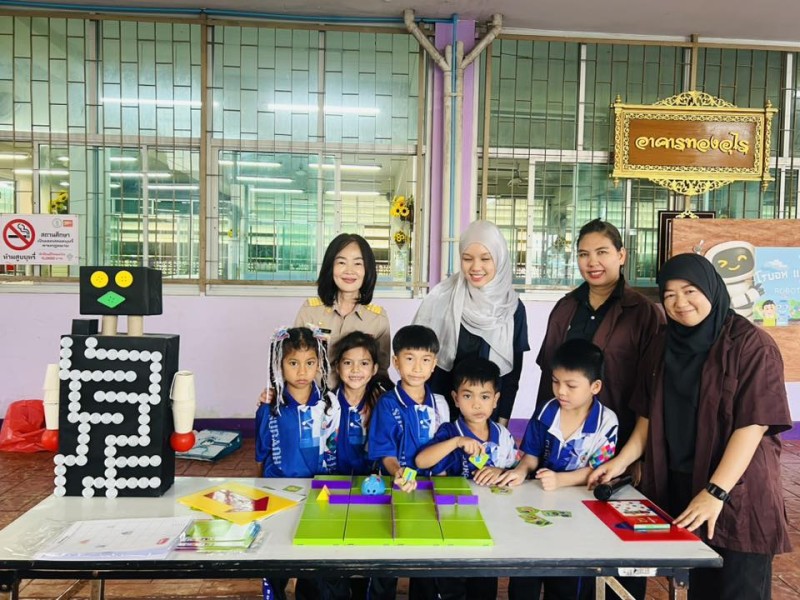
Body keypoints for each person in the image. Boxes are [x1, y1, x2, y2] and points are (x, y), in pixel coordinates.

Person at [589, 253, 793, 600]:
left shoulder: (750, 345)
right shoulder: (662, 344)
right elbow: (648, 416)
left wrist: (715, 493)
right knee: (697, 587)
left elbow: (753, 426)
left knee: (738, 589)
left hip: (736, 493)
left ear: (711, 289)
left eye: (690, 291)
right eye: (669, 295)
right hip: (682, 486)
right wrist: (620, 462)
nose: (680, 303)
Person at [498, 339, 618, 600]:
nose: (561, 391)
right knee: (525, 578)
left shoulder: (606, 423)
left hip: (580, 512)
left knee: (567, 580)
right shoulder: (546, 411)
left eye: (571, 385)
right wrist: (521, 471)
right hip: (538, 505)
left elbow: (599, 470)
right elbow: (531, 456)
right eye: (555, 382)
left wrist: (562, 480)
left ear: (595, 386)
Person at [535, 218, 663, 447]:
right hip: (559, 440)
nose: (592, 262)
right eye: (584, 254)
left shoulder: (643, 313)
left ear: (621, 255)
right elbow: (548, 376)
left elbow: (651, 390)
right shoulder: (565, 308)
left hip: (617, 440)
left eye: (602, 252)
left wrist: (637, 453)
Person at [414, 357, 518, 600]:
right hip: (451, 523)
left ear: (496, 400)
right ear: (455, 398)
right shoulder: (449, 432)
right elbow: (421, 461)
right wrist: (456, 443)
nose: (476, 404)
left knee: (483, 584)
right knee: (451, 583)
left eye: (485, 396)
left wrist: (500, 472)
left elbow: (516, 473)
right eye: (468, 395)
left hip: (490, 523)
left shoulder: (503, 436)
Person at [414, 220, 529, 426]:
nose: (476, 267)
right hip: (440, 414)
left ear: (500, 258)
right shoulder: (441, 298)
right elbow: (420, 360)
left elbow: (512, 377)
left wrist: (501, 425)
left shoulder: (512, 308)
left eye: (485, 258)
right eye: (467, 259)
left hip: (486, 419)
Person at [255, 327, 338, 600]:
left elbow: (333, 449)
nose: (302, 371)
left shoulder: (329, 404)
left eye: (310, 363)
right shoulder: (269, 408)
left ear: (319, 364)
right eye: (293, 363)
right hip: (278, 493)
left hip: (318, 492)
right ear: (279, 365)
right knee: (275, 553)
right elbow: (262, 456)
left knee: (313, 558)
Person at [295, 233, 391, 376]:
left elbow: (380, 371)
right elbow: (294, 359)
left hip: (358, 391)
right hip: (315, 390)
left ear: (367, 269)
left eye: (357, 263)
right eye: (341, 262)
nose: (349, 271)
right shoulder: (310, 311)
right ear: (330, 266)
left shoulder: (378, 319)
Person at [368, 324, 450, 487]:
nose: (417, 368)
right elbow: (385, 452)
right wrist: (397, 471)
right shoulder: (387, 404)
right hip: (397, 483)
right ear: (396, 362)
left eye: (425, 360)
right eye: (410, 359)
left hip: (432, 484)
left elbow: (443, 448)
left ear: (434, 364)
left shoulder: (440, 404)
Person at [326, 331, 393, 476]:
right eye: (348, 363)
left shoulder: (383, 404)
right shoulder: (326, 404)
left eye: (364, 363)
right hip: (332, 481)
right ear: (337, 367)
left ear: (374, 369)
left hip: (372, 482)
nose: (355, 369)